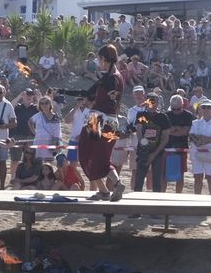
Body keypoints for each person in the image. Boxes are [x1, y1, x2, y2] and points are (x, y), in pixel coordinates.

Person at [57, 45, 128, 201]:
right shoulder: (115, 77)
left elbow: (99, 95)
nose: (98, 61)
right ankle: (110, 187)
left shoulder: (111, 79)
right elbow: (88, 93)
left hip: (96, 119)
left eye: (99, 58)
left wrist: (61, 92)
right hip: (111, 121)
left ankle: (110, 187)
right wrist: (61, 91)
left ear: (104, 58)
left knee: (84, 153)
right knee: (100, 158)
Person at [131, 93, 171, 194]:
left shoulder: (163, 117)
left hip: (157, 152)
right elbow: (139, 131)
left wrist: (154, 154)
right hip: (143, 151)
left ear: (158, 103)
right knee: (139, 180)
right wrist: (144, 148)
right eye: (150, 101)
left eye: (154, 101)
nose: (152, 103)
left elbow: (165, 137)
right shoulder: (142, 115)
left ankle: (157, 204)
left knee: (157, 181)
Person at [189, 98, 211, 196]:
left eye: (209, 107)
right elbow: (191, 135)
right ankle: (197, 200)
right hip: (197, 152)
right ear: (201, 109)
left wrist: (204, 140)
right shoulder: (196, 122)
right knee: (198, 177)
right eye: (204, 107)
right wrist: (198, 142)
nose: (206, 109)